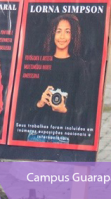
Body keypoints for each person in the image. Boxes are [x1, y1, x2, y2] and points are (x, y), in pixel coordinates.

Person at [30, 14, 87, 143]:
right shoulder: (42, 63)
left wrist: (65, 109)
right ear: (52, 34)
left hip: (63, 132)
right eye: (58, 31)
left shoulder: (79, 66)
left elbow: (83, 105)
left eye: (67, 32)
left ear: (73, 35)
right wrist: (40, 102)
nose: (62, 37)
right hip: (37, 131)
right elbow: (26, 102)